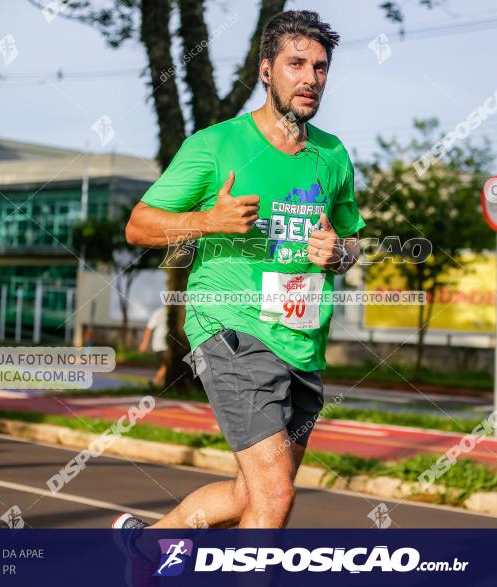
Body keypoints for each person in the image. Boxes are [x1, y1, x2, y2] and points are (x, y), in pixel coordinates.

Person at [114, 10, 364, 531]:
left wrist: (338, 253)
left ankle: (147, 546)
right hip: (230, 328)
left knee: (251, 492)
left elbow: (352, 241)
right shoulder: (215, 145)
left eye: (320, 67)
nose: (310, 78)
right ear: (266, 70)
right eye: (296, 64)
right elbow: (138, 226)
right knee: (274, 497)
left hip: (300, 338)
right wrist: (208, 220)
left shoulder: (332, 154)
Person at [138, 305, 168, 385]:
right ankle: (154, 382)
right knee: (166, 366)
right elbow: (149, 328)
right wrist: (144, 343)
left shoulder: (178, 312)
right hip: (160, 345)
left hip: (169, 345)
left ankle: (157, 383)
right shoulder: (159, 312)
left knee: (167, 366)